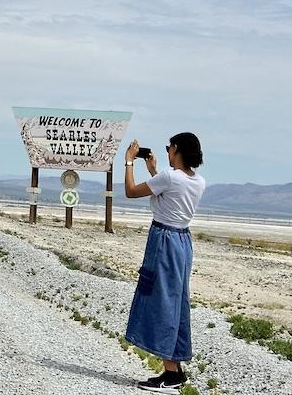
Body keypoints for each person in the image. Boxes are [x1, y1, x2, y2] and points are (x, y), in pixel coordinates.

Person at [122, 132, 206, 392]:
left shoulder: (170, 177)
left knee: (161, 301)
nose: (167, 151)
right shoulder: (198, 180)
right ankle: (176, 369)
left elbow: (130, 191)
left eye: (169, 147)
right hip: (183, 241)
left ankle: (170, 374)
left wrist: (128, 162)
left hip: (164, 239)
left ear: (177, 149)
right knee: (176, 300)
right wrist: (154, 169)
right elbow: (168, 194)